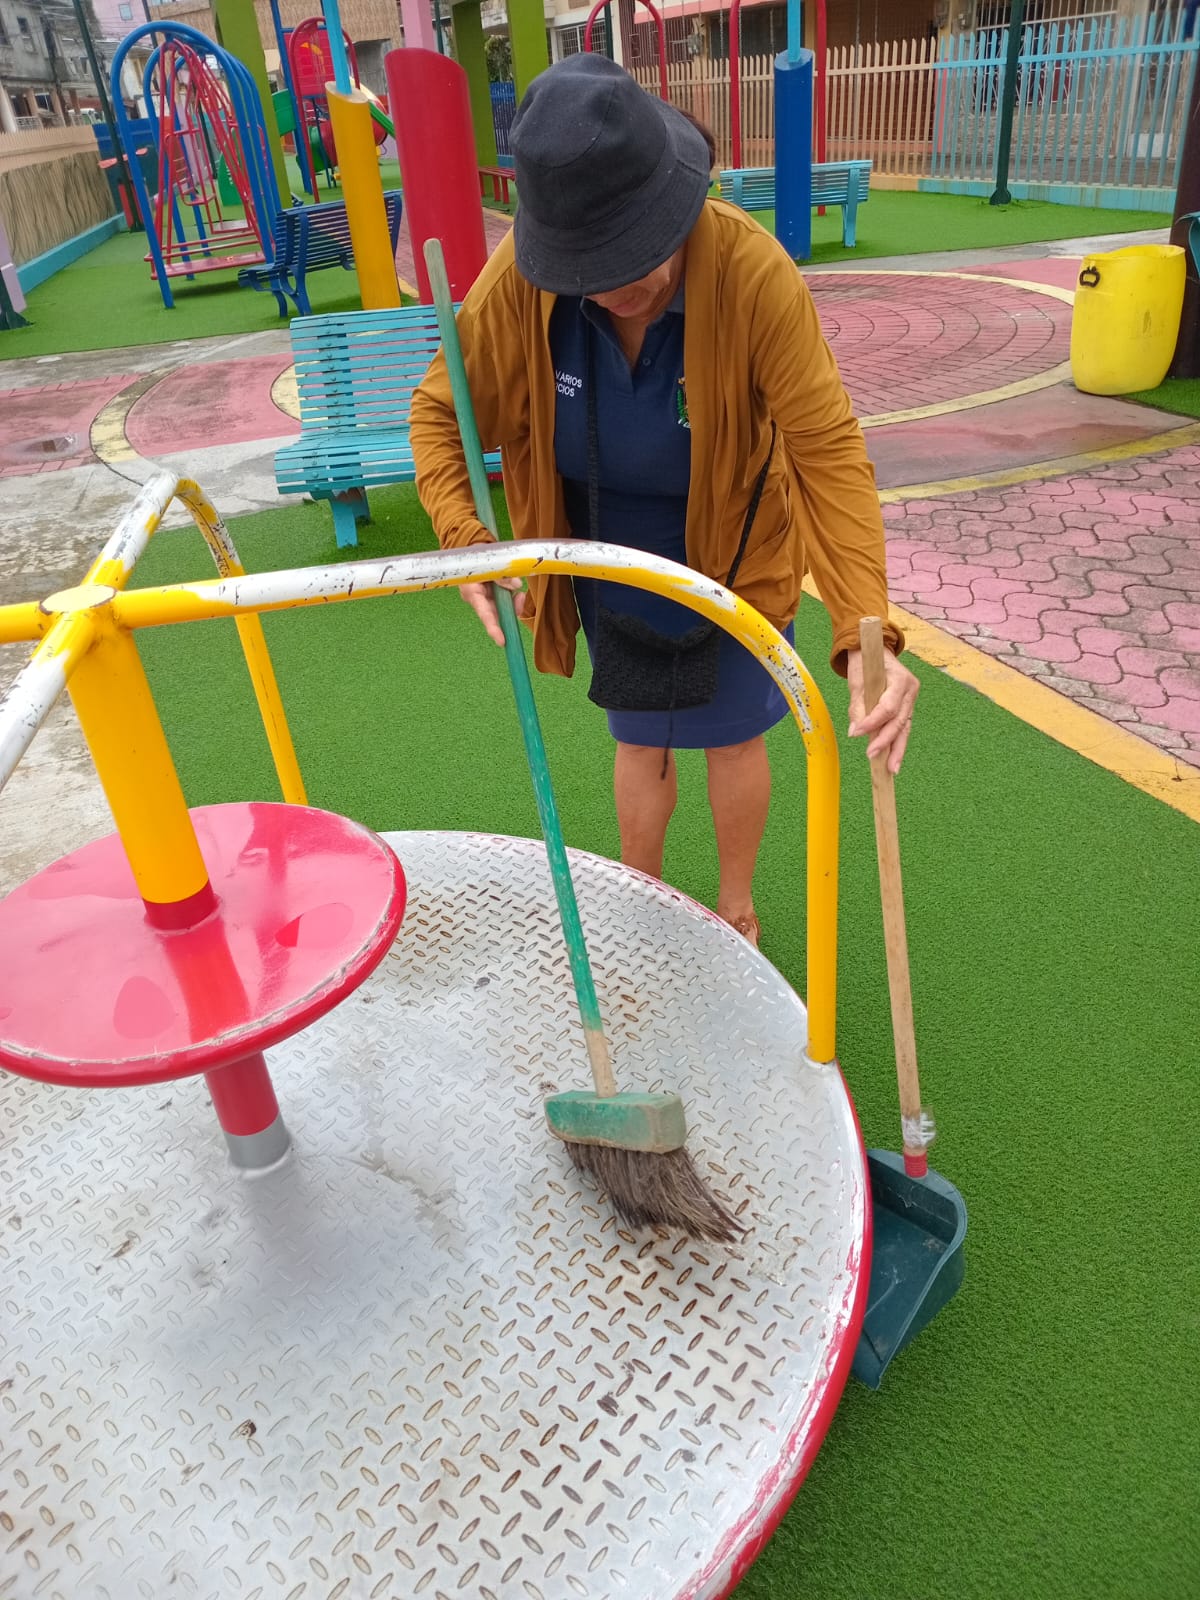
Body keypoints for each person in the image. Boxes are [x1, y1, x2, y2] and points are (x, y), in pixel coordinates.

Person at [411, 54, 918, 948]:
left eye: (637, 250)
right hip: (608, 551)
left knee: (734, 735)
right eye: (589, 266)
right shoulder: (523, 277)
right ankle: (638, 907)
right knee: (640, 738)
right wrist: (465, 538)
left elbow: (826, 450)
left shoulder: (752, 273)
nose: (616, 285)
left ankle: (734, 907)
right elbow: (439, 411)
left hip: (737, 544)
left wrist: (863, 626)